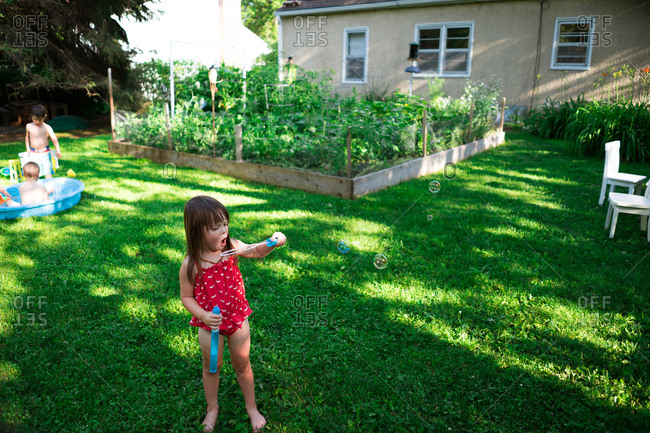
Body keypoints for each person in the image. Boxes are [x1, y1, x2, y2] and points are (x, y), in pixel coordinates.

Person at [179, 196, 286, 433]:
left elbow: (256, 251)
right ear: (196, 231)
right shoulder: (191, 264)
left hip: (237, 319)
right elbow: (186, 297)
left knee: (242, 363)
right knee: (212, 366)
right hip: (209, 326)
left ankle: (251, 407)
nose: (223, 230)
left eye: (225, 223)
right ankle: (212, 408)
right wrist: (204, 315)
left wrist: (273, 241)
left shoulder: (231, 247)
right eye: (215, 227)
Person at [25, 104, 61, 179]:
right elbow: (27, 138)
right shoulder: (29, 126)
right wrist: (28, 148)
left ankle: (50, 188)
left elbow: (54, 139)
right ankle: (34, 188)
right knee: (33, 172)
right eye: (35, 119)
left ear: (45, 116)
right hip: (33, 152)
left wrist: (58, 150)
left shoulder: (47, 127)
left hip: (45, 152)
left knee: (47, 171)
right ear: (31, 116)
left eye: (40, 120)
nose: (37, 122)